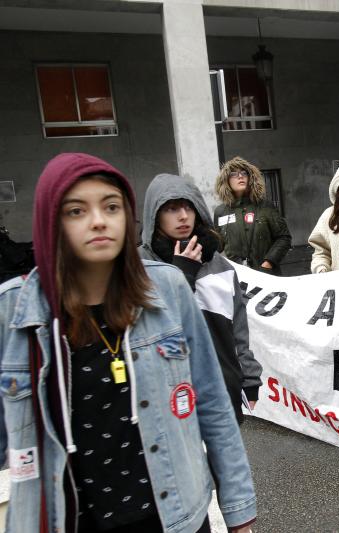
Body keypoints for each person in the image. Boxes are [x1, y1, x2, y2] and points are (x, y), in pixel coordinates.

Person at [0, 153, 256, 532]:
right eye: (76, 210)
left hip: (173, 517)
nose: (99, 220)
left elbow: (213, 406)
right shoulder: (13, 309)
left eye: (111, 206)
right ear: (50, 221)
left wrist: (239, 511)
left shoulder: (168, 286)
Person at [139, 173, 263, 424]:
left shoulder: (220, 266)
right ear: (155, 214)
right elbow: (149, 327)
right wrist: (183, 272)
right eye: (172, 209)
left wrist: (249, 378)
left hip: (221, 386)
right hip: (169, 394)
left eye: (189, 207)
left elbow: (238, 329)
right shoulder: (140, 266)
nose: (183, 216)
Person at [213, 156, 292, 275]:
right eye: (234, 174)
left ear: (250, 178)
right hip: (237, 278)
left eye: (244, 173)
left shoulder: (265, 206)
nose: (240, 176)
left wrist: (268, 263)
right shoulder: (220, 212)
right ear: (226, 181)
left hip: (267, 276)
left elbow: (284, 238)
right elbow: (218, 246)